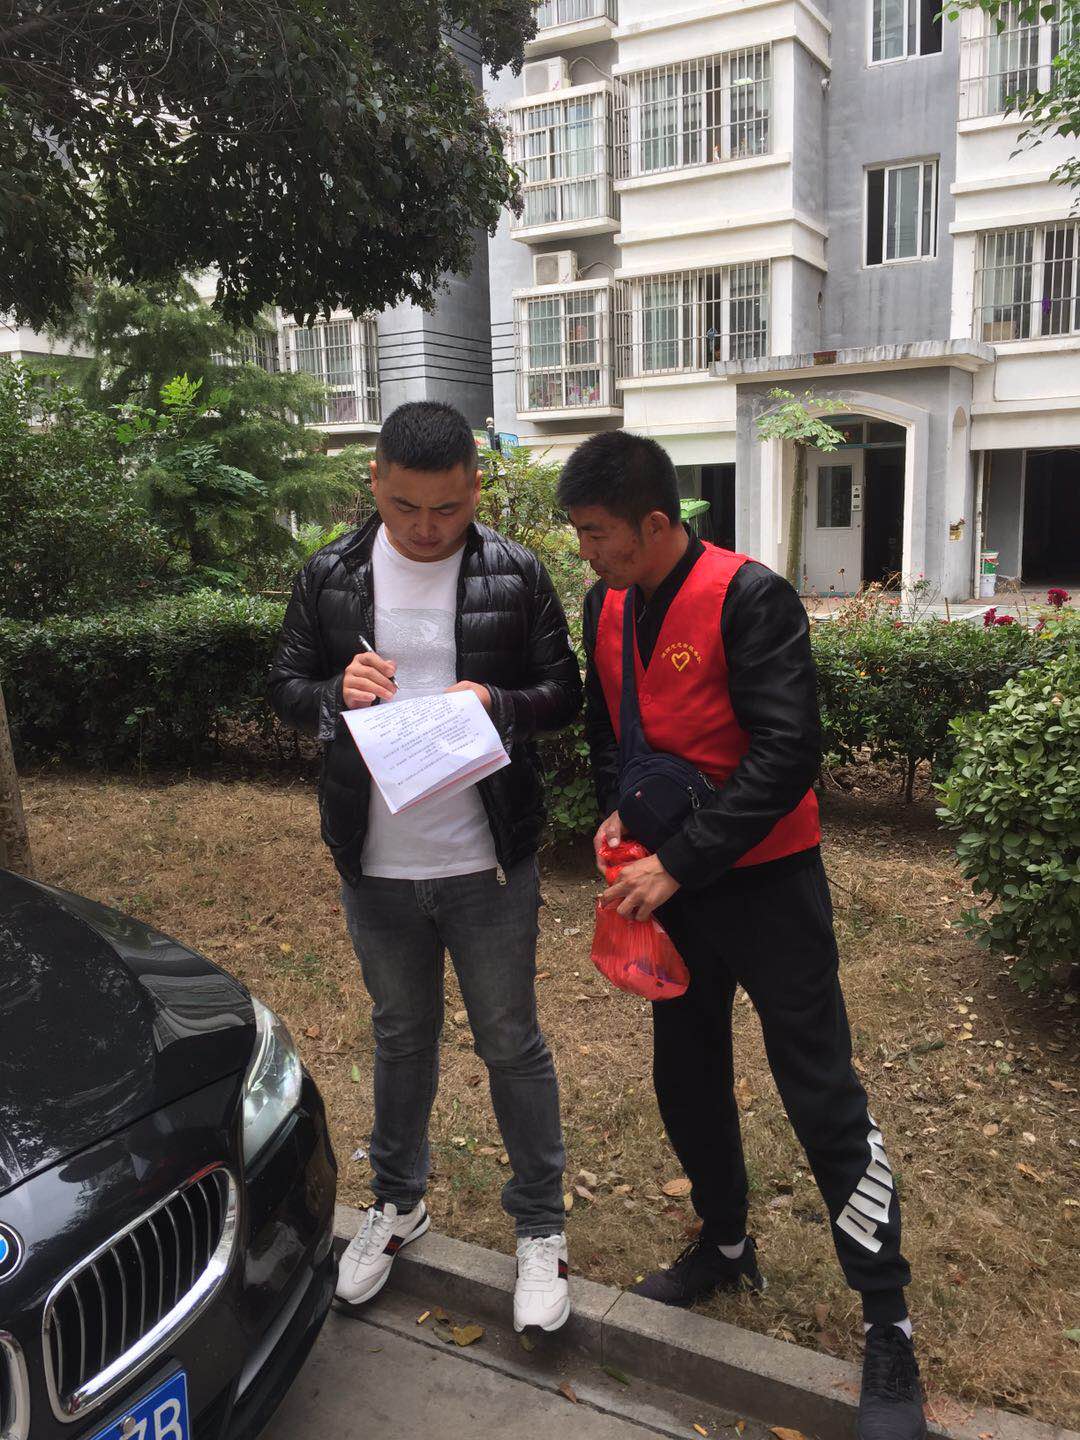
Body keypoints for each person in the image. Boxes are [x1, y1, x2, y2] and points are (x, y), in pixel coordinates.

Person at [557, 430, 925, 1440]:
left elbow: (788, 753)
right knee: (685, 1076)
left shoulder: (749, 597)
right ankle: (725, 1246)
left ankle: (887, 1320)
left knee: (821, 1091)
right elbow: (608, 730)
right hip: (673, 892)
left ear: (655, 524)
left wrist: (682, 859)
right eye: (579, 533)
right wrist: (620, 813)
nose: (586, 552)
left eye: (597, 533)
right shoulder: (605, 603)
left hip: (769, 888)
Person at [269, 401, 582, 1333]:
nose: (427, 527)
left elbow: (563, 691)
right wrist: (335, 693)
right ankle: (398, 1202)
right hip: (377, 863)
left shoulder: (514, 572)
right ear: (374, 481)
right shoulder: (330, 574)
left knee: (510, 1042)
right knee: (401, 1036)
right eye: (405, 506)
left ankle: (540, 1228)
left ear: (475, 489)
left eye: (447, 508)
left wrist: (498, 702)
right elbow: (284, 685)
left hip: (486, 862)